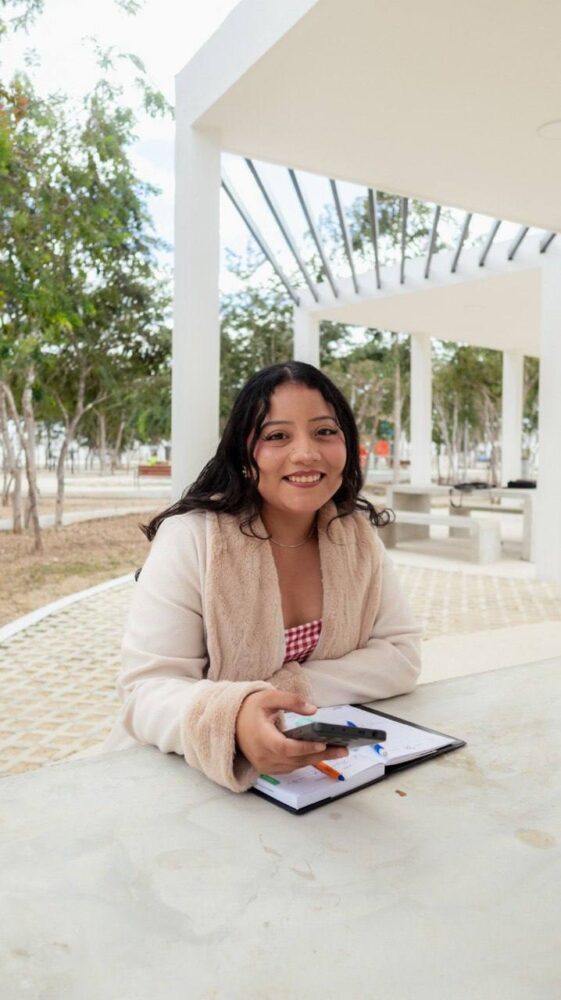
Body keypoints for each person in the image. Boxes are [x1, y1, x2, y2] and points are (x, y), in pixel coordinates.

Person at [103, 362, 421, 792]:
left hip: (315, 785)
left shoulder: (357, 536)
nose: (306, 452)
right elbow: (147, 691)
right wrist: (235, 720)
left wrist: (274, 696)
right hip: (175, 782)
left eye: (325, 431)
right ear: (244, 455)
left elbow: (400, 658)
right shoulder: (193, 539)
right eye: (277, 436)